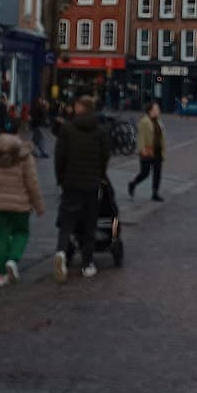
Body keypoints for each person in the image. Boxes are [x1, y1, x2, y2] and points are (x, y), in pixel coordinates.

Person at [54, 90, 110, 281]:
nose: (73, 107)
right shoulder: (100, 131)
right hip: (91, 185)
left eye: (77, 105)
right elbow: (105, 157)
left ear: (82, 108)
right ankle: (87, 264)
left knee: (66, 223)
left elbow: (59, 157)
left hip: (70, 184)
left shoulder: (67, 129)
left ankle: (61, 252)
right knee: (89, 225)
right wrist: (100, 176)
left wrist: (60, 179)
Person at [0, 131, 44, 286]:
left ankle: (1, 275)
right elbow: (32, 184)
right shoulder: (25, 158)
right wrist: (38, 205)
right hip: (20, 205)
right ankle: (12, 259)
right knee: (21, 232)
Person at [128, 101, 166, 202]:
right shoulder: (144, 121)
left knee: (157, 172)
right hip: (147, 150)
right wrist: (142, 150)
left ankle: (155, 193)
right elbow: (141, 138)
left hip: (157, 151)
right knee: (145, 173)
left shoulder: (159, 121)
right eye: (156, 109)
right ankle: (132, 184)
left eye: (158, 109)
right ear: (150, 111)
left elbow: (162, 137)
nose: (158, 110)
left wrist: (163, 150)